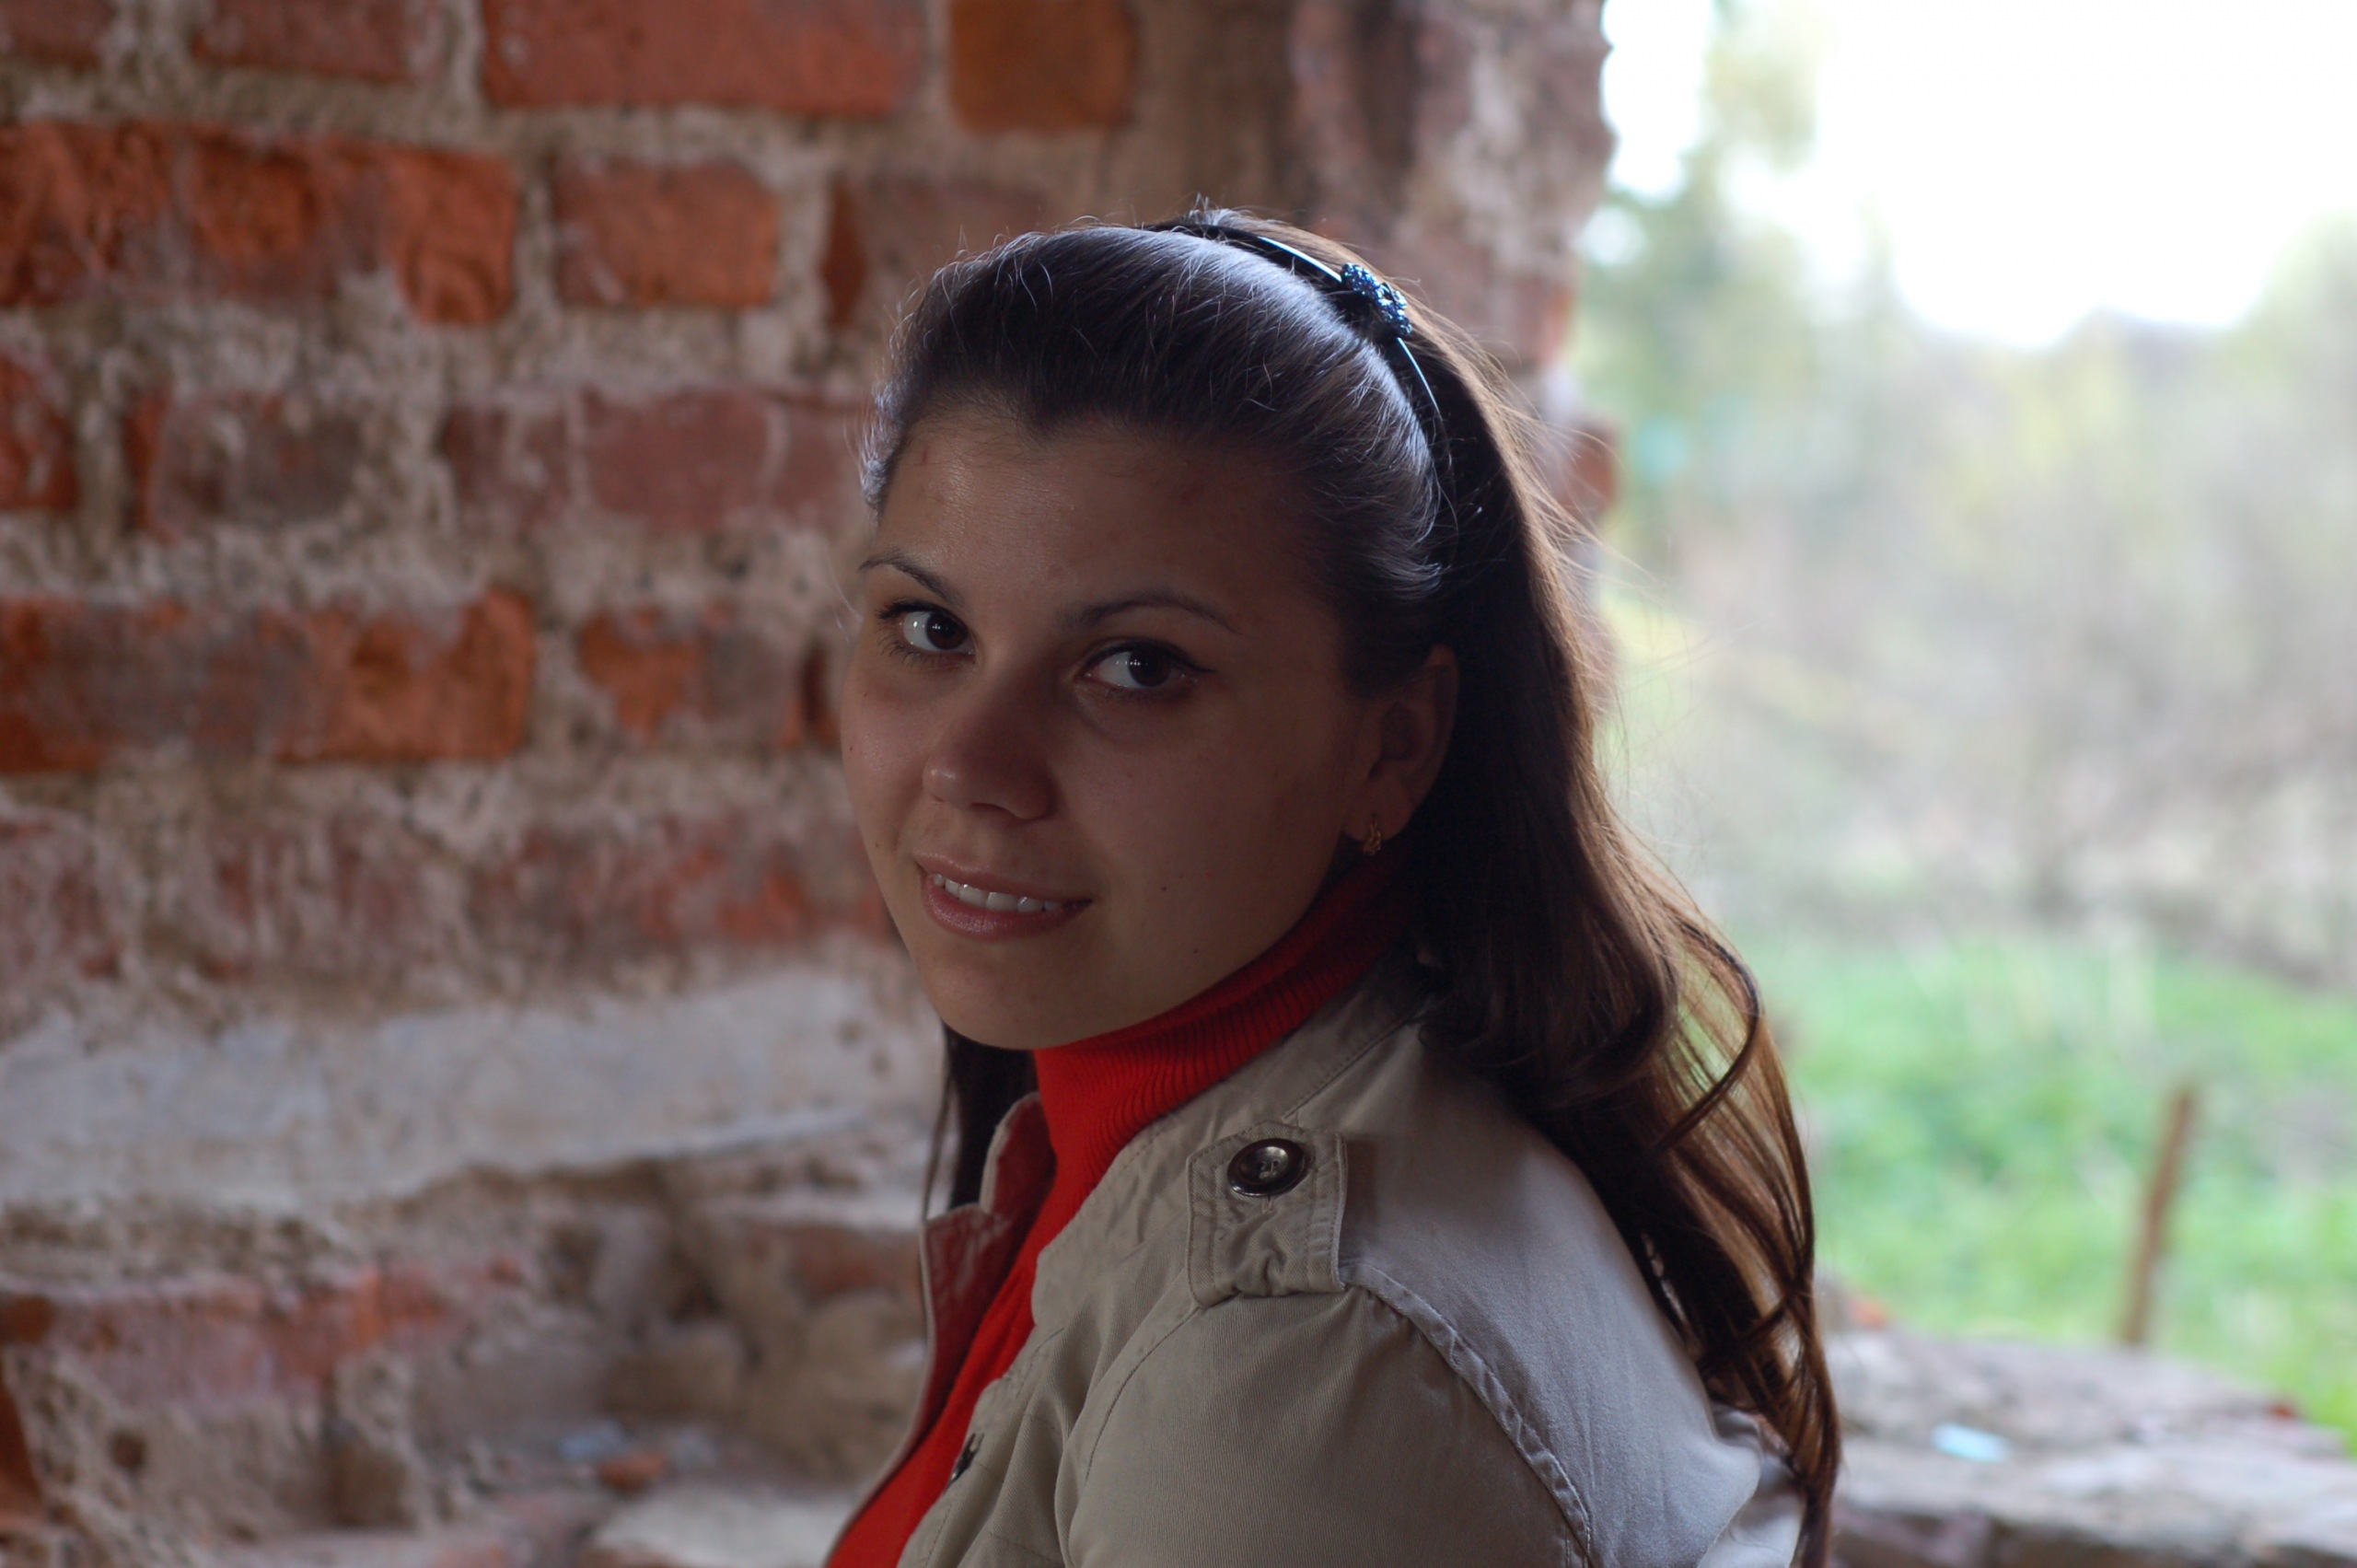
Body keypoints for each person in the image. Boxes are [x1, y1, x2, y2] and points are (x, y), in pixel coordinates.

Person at [824, 210, 1836, 1568]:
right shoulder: (1174, 1101)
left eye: (1137, 667)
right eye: (930, 627)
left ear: (1393, 744)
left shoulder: (1287, 1372)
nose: (969, 768)